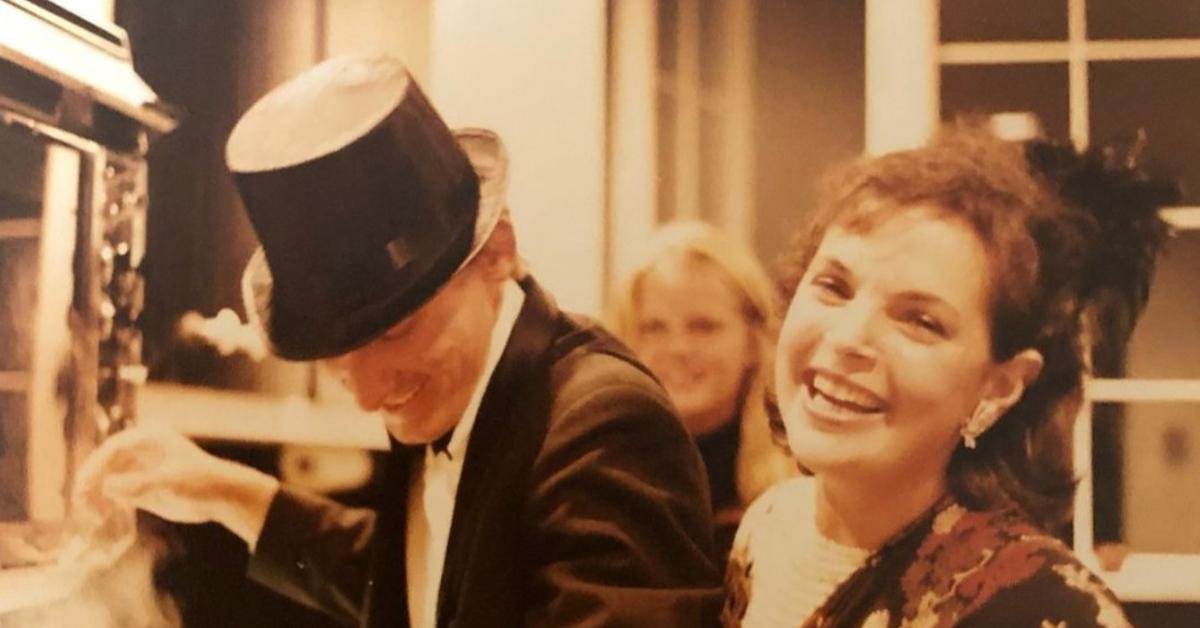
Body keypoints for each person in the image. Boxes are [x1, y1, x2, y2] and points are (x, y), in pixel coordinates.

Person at [74, 54, 723, 628]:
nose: (369, 391)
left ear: (497, 252)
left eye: (394, 329)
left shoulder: (604, 424)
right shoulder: (451, 387)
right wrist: (220, 490)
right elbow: (430, 583)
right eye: (339, 355)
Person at [721, 124, 1175, 627]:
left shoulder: (1047, 611)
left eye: (920, 321)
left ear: (1001, 386)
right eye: (834, 286)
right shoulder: (768, 529)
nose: (847, 337)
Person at [607, 221, 795, 556]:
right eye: (653, 328)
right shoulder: (598, 475)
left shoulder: (800, 490)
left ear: (754, 342)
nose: (678, 348)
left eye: (703, 327)